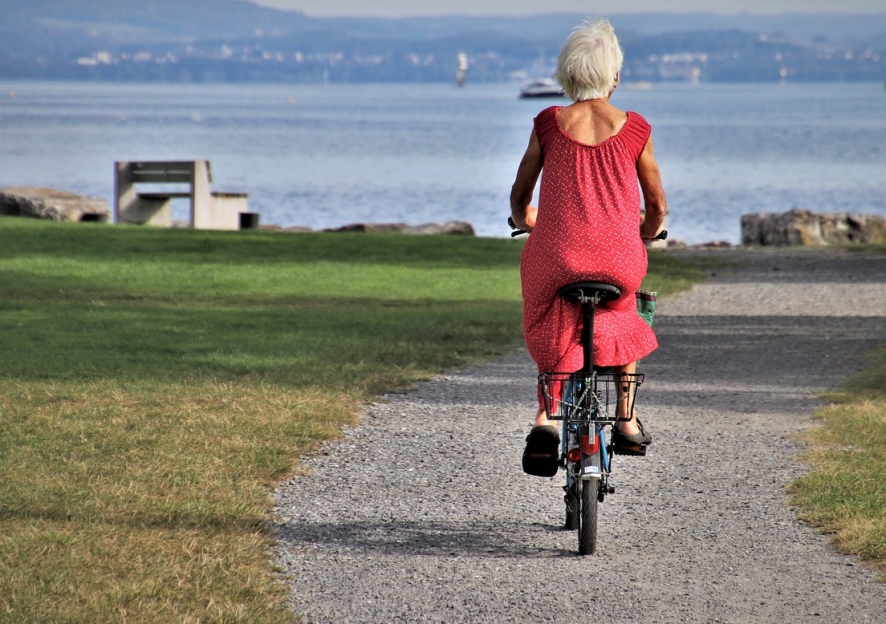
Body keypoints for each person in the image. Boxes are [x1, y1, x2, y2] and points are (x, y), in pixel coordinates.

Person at [509, 18, 667, 476]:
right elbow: (656, 203)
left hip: (556, 256)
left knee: (550, 308)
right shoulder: (635, 128)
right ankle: (626, 416)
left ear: (566, 74)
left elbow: (521, 197)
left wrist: (526, 221)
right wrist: (648, 231)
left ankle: (547, 419)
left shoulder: (548, 124)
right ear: (613, 76)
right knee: (623, 312)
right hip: (618, 259)